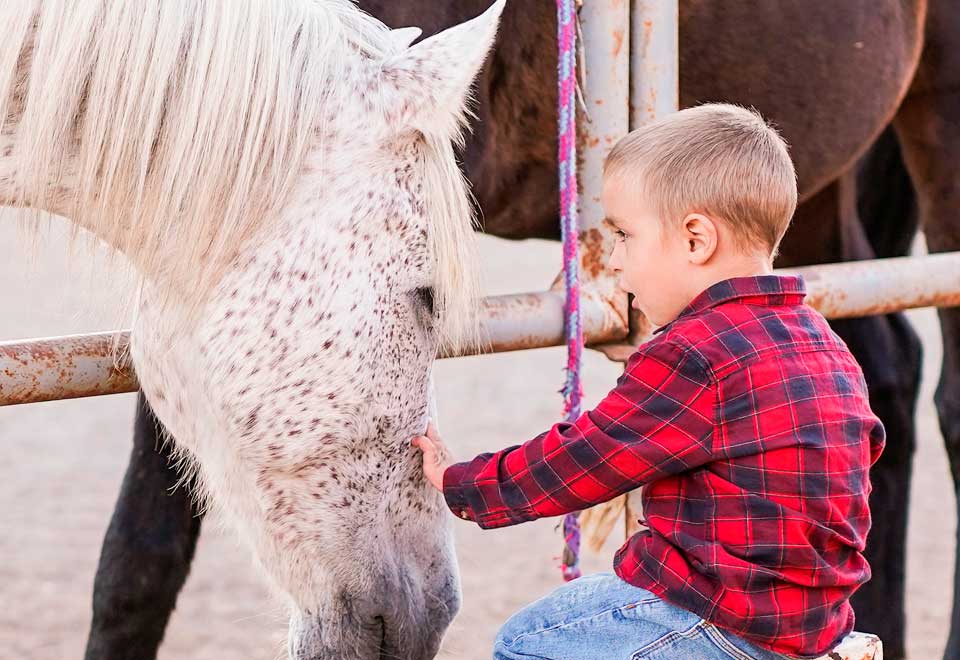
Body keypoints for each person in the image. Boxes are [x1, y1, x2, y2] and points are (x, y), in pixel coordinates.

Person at [411, 103, 885, 660]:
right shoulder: (822, 342)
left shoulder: (696, 353)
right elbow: (864, 452)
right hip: (813, 622)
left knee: (530, 641)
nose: (612, 260)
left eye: (624, 235)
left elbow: (584, 460)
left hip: (727, 620)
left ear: (694, 240)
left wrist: (464, 482)